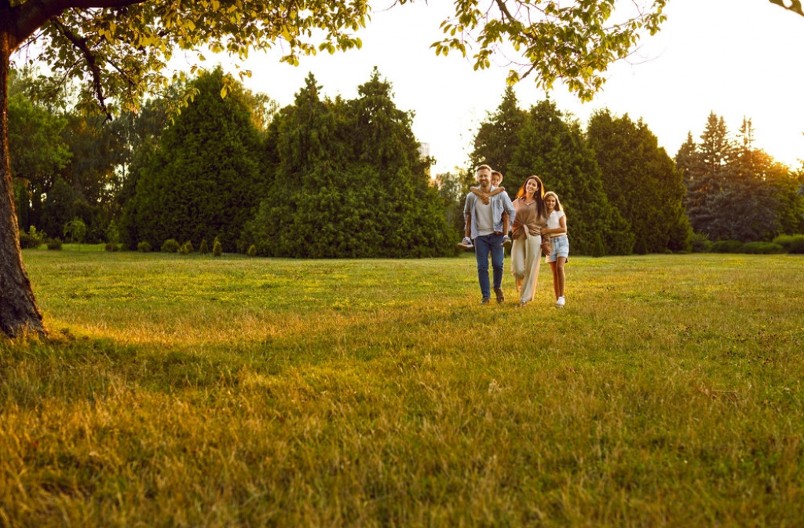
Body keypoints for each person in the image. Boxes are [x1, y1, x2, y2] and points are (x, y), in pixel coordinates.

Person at [463, 164, 516, 304]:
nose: (483, 178)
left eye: (485, 175)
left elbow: (511, 211)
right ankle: (485, 296)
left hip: (497, 235)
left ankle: (497, 287)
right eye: (480, 176)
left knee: (498, 264)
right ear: (477, 177)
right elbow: (466, 213)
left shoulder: (500, 194)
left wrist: (508, 229)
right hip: (479, 236)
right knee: (482, 266)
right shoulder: (471, 196)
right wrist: (469, 231)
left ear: (490, 176)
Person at [510, 175, 547, 307]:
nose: (530, 186)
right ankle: (522, 283)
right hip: (519, 234)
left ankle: (524, 298)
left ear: (537, 189)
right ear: (525, 185)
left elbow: (545, 223)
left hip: (534, 236)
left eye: (533, 185)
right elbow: (508, 217)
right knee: (518, 268)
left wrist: (546, 240)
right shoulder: (517, 202)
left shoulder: (541, 204)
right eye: (528, 183)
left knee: (531, 268)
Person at [457, 170, 511, 249]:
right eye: (493, 179)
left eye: (497, 180)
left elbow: (502, 188)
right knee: (470, 215)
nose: (495, 182)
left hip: (497, 229)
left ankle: (506, 236)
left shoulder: (502, 193)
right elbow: (472, 188)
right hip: (482, 230)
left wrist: (487, 195)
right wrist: (482, 195)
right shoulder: (477, 192)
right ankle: (467, 238)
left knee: (505, 214)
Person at [542, 191, 569, 308]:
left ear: (556, 202)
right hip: (550, 243)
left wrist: (548, 231)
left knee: (559, 267)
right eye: (548, 201)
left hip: (562, 241)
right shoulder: (542, 215)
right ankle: (558, 299)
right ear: (545, 202)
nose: (550, 203)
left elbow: (564, 229)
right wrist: (545, 242)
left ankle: (562, 296)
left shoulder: (559, 213)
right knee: (554, 273)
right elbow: (542, 231)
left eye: (553, 201)